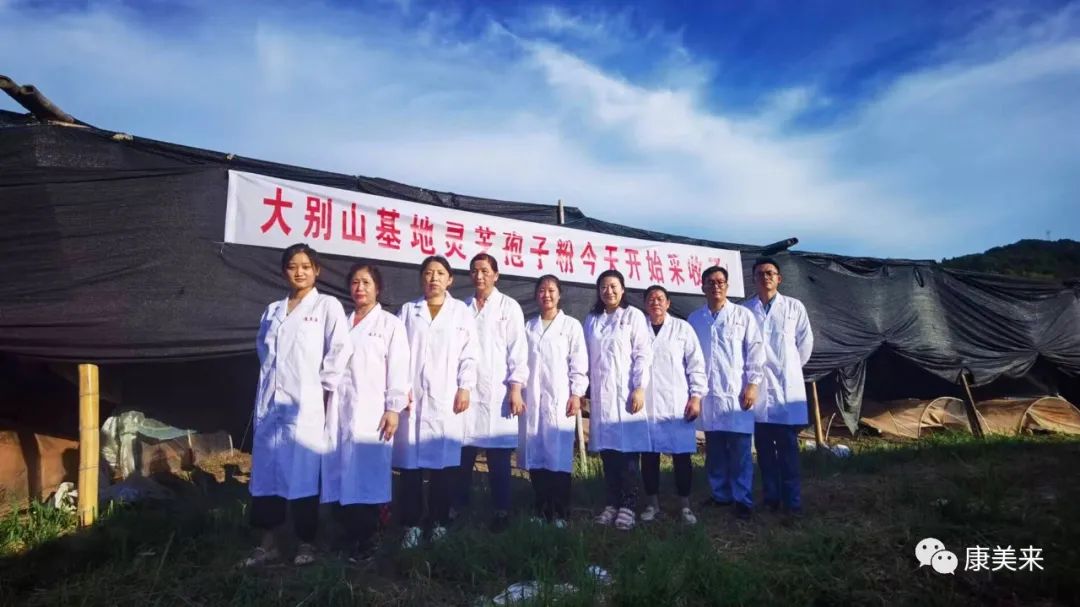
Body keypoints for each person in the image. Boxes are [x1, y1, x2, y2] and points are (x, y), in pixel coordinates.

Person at [244, 243, 352, 567]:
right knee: (267, 474)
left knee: (304, 474)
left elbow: (340, 349)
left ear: (316, 270)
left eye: (306, 266)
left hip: (305, 406)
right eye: (293, 266)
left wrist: (322, 388)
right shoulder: (273, 310)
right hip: (270, 405)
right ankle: (267, 543)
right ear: (284, 272)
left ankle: (307, 541)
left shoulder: (326, 306)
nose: (299, 272)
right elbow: (263, 351)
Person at [322, 262, 410, 559]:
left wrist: (393, 408)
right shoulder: (341, 323)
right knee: (340, 467)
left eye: (366, 283)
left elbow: (399, 368)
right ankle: (345, 533)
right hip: (340, 408)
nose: (360, 288)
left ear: (378, 288)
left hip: (373, 410)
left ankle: (369, 537)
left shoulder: (389, 324)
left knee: (368, 472)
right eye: (355, 283)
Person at [395, 255, 479, 548]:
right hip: (412, 398)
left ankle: (440, 522)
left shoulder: (461, 312)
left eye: (440, 273)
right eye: (428, 273)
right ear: (421, 278)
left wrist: (465, 387)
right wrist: (401, 388)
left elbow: (470, 353)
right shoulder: (409, 311)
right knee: (411, 467)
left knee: (444, 466)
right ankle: (412, 525)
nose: (433, 278)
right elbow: (398, 353)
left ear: (450, 279)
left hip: (447, 397)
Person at [456, 254, 527, 532]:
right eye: (475, 271)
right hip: (467, 391)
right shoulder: (462, 307)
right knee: (464, 454)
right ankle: (459, 509)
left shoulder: (509, 307)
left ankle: (501, 511)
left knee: (499, 457)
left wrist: (516, 387)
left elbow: (517, 350)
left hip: (499, 390)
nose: (480, 276)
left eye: (485, 271)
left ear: (496, 275)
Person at [687, 265, 764, 520]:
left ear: (727, 286)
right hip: (709, 395)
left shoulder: (742, 316)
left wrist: (752, 384)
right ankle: (720, 495)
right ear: (702, 287)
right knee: (715, 449)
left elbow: (755, 351)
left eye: (720, 281)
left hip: (737, 393)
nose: (716, 286)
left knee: (741, 450)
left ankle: (743, 499)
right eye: (710, 282)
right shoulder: (695, 319)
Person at [744, 257, 814, 515]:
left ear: (779, 278)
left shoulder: (794, 307)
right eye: (760, 274)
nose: (765, 277)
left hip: (786, 390)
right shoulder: (745, 310)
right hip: (758, 392)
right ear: (753, 279)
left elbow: (805, 344)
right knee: (764, 452)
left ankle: (792, 502)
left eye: (770, 273)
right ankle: (771, 498)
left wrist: (789, 368)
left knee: (788, 451)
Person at [583, 269, 652, 531]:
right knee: (609, 454)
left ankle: (629, 505)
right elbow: (585, 356)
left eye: (613, 286)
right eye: (603, 287)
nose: (608, 291)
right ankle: (612, 502)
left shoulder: (633, 316)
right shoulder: (592, 320)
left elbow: (642, 354)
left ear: (622, 289)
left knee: (628, 454)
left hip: (626, 394)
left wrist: (639, 388)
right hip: (602, 397)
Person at [519, 275, 588, 528]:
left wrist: (576, 393)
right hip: (532, 400)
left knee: (558, 456)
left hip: (560, 400)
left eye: (551, 290)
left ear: (559, 294)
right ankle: (541, 509)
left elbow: (579, 363)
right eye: (541, 290)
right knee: (536, 454)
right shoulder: (528, 327)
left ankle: (560, 512)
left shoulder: (570, 326)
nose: (546, 295)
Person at [638, 285, 707, 525]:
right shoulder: (638, 328)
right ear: (645, 304)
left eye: (660, 298)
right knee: (649, 456)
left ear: (668, 303)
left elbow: (696, 365)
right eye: (650, 299)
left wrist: (696, 397)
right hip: (646, 403)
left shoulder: (682, 328)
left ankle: (685, 506)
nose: (655, 302)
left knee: (681, 456)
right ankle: (652, 504)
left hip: (677, 403)